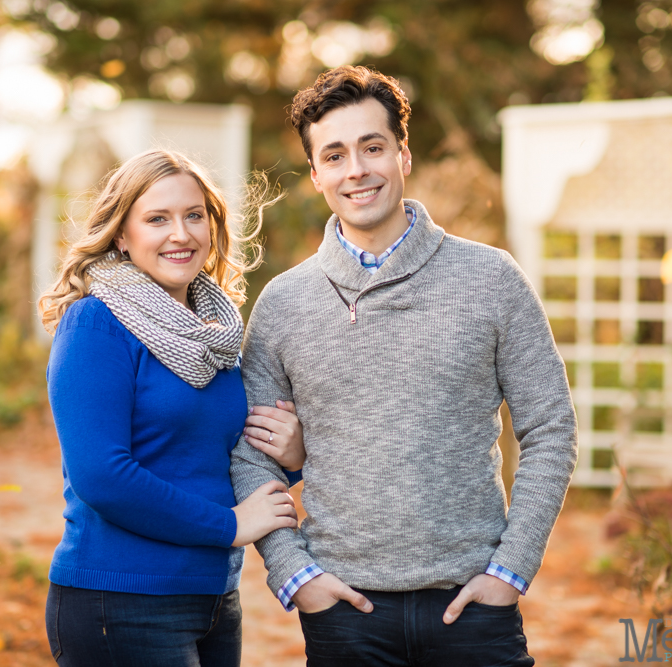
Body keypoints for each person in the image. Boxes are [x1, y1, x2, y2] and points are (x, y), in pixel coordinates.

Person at [230, 66, 579, 666]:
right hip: (343, 615)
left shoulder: (492, 279)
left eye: (372, 147)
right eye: (334, 155)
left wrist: (511, 570)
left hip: (475, 609)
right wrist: (296, 577)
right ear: (316, 175)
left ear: (403, 154)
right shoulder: (284, 304)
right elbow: (249, 453)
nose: (357, 170)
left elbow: (551, 428)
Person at [38, 149, 305, 667]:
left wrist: (292, 455)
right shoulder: (96, 323)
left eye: (194, 215)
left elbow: (223, 455)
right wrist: (228, 526)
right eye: (157, 219)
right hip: (119, 599)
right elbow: (102, 476)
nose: (180, 234)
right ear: (122, 235)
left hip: (213, 597)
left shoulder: (215, 334)